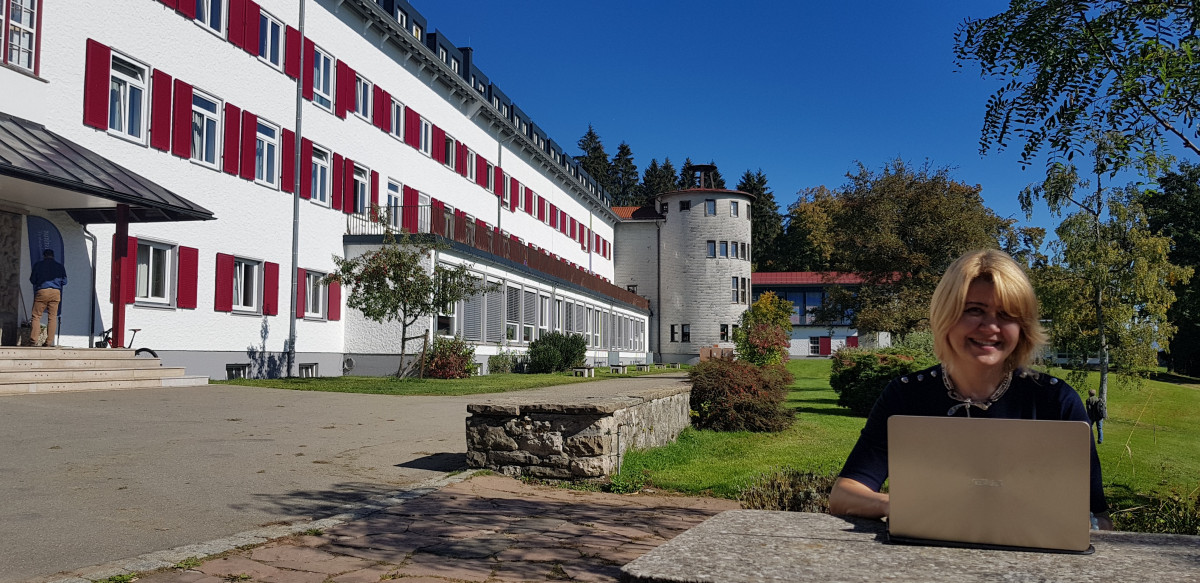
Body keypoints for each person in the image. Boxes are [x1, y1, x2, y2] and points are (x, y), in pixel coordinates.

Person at [827, 249, 1112, 530]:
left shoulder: (1056, 402)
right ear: (945, 316)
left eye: (1007, 314)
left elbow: (1097, 517)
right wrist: (903, 505)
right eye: (974, 310)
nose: (990, 327)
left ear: (1023, 326)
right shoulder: (905, 396)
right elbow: (844, 494)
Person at [29, 248, 67, 347]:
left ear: (44, 256)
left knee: (36, 316)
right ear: (53, 256)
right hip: (56, 292)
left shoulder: (38, 265)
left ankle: (33, 341)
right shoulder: (60, 266)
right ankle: (49, 342)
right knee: (52, 317)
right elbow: (65, 282)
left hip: (42, 291)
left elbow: (33, 280)